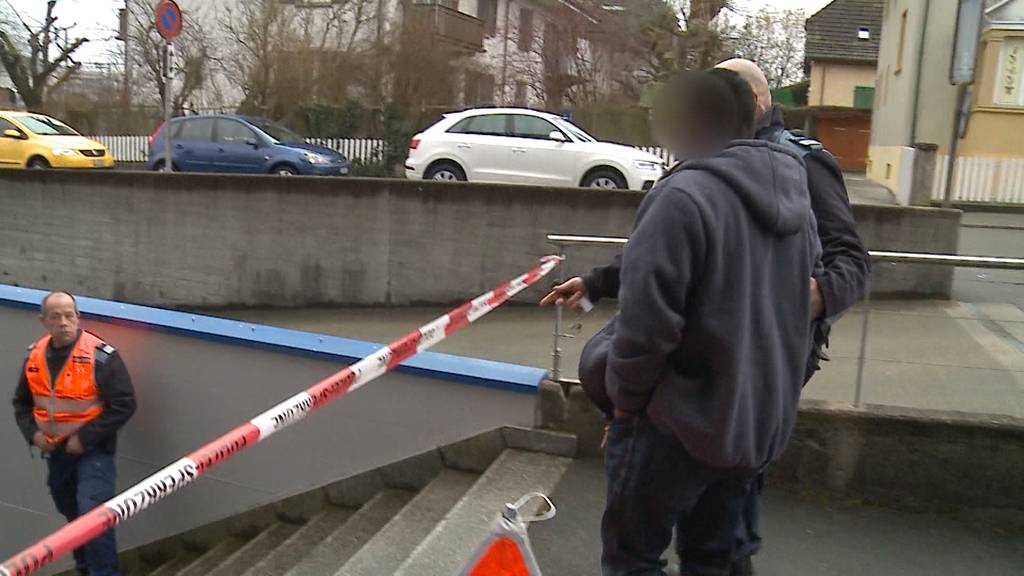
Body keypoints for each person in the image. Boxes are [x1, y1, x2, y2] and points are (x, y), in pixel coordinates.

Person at [541, 58, 870, 575]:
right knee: (715, 553)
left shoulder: (788, 171)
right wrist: (598, 282)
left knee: (639, 558)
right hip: (750, 416)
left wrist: (626, 410)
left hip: (687, 414)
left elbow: (647, 327)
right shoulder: (783, 190)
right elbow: (664, 266)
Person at [12, 291, 136, 576]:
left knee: (92, 514)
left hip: (94, 451)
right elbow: (22, 403)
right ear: (43, 321)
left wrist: (85, 438)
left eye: (70, 315)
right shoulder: (35, 356)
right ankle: (85, 567)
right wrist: (33, 434)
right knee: (70, 511)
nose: (64, 322)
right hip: (56, 452)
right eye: (56, 317)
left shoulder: (99, 356)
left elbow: (124, 404)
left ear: (78, 317)